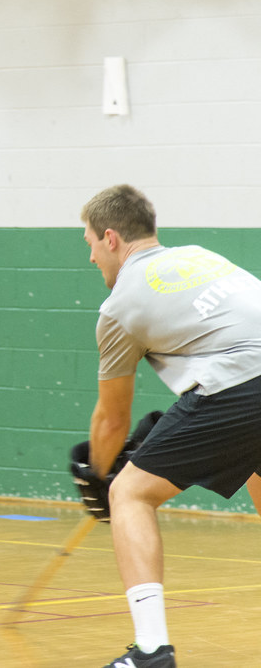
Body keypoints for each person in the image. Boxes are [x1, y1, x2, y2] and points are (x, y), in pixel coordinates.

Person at [79, 184, 261, 668]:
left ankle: (150, 651)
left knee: (130, 495)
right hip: (247, 382)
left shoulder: (118, 307)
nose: (92, 257)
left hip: (242, 383)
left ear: (111, 238)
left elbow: (112, 418)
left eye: (90, 244)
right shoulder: (200, 257)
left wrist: (99, 474)